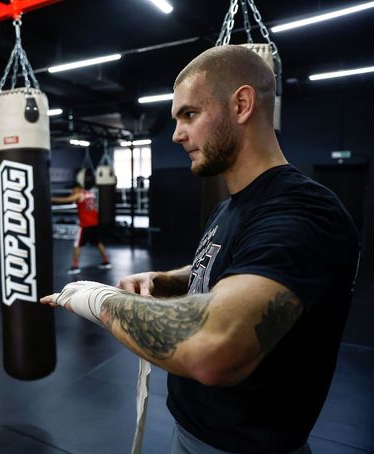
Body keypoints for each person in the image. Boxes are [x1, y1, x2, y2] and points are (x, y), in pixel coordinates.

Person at [41, 45, 360, 453]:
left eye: (189, 114)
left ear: (242, 104)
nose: (176, 133)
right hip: (191, 432)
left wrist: (95, 297)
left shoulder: (303, 212)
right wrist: (168, 279)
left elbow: (212, 346)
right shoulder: (233, 205)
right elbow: (237, 261)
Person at [52, 179, 111, 274]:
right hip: (94, 223)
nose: (72, 192)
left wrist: (51, 199)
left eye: (73, 190)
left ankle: (75, 267)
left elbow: (67, 200)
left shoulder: (79, 194)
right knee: (98, 242)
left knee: (77, 245)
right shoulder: (90, 194)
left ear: (78, 188)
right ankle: (106, 261)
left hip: (85, 225)